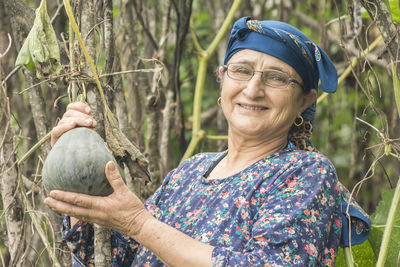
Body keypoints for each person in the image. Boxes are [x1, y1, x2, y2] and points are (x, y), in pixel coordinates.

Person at [44, 17, 370, 266]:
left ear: (304, 101)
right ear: (222, 80)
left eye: (276, 78)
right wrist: (77, 170)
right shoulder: (190, 172)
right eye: (241, 71)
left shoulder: (305, 173)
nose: (253, 89)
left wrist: (138, 223)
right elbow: (118, 257)